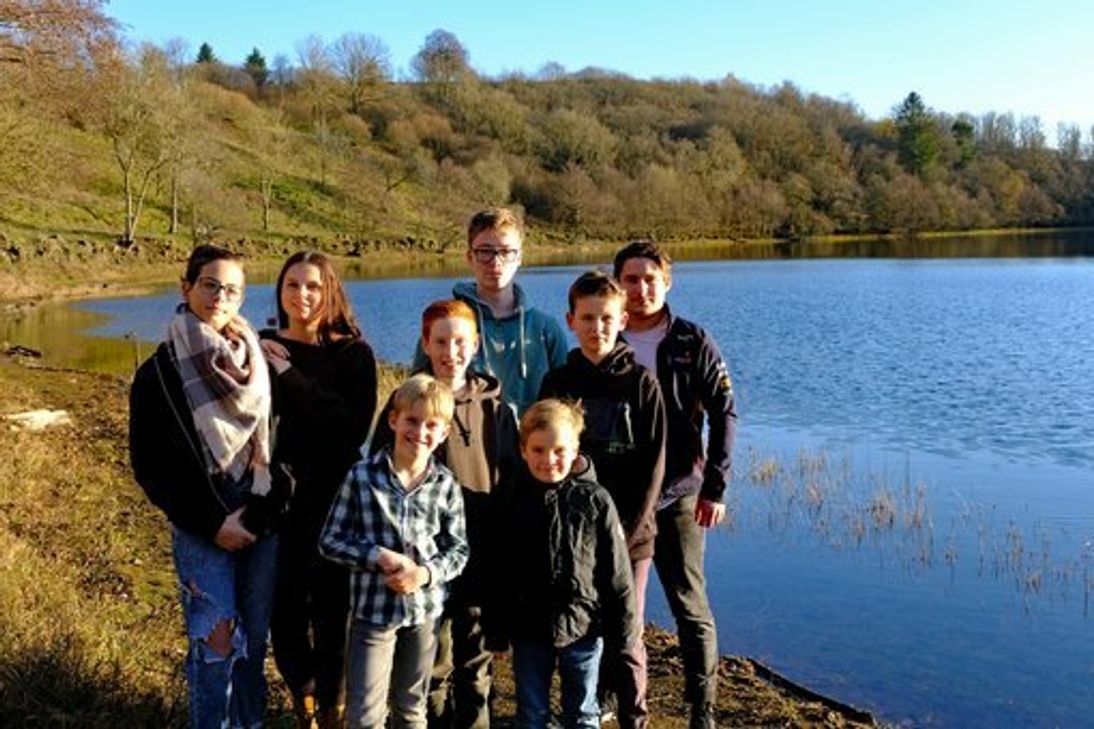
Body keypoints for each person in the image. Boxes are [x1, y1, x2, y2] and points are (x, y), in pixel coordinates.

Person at [130, 244, 289, 728]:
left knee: (253, 640)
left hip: (260, 519)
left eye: (232, 289)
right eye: (210, 285)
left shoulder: (259, 364)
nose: (220, 296)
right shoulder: (158, 373)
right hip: (203, 524)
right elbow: (150, 466)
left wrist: (261, 515)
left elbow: (285, 453)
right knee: (216, 641)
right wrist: (212, 522)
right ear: (187, 288)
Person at [373, 299, 518, 729]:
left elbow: (509, 479)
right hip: (422, 560)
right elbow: (381, 476)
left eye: (459, 342)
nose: (450, 352)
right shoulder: (406, 402)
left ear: (474, 344)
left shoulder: (494, 406)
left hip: (478, 557)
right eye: (440, 342)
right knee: (431, 666)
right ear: (426, 343)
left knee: (475, 668)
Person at [614, 241, 736, 729]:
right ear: (618, 283)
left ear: (667, 282)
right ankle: (613, 695)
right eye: (630, 279)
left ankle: (701, 706)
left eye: (650, 279)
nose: (640, 288)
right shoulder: (606, 335)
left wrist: (715, 488)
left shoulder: (692, 340)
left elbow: (725, 413)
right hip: (622, 497)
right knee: (620, 606)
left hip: (681, 492)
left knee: (689, 605)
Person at [539, 271, 666, 729]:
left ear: (623, 320)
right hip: (569, 538)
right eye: (587, 318)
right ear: (571, 321)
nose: (597, 328)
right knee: (574, 630)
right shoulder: (558, 382)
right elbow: (543, 461)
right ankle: (583, 709)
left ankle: (635, 716)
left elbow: (654, 467)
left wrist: (625, 531)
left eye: (607, 318)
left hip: (631, 536)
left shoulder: (642, 384)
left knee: (626, 632)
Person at [260, 251, 378, 729]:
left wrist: (290, 375)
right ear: (280, 290)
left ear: (330, 290)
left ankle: (334, 706)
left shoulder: (354, 354)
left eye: (313, 286)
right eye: (292, 285)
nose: (302, 295)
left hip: (335, 495)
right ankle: (303, 695)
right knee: (283, 604)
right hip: (278, 492)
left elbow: (347, 431)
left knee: (333, 608)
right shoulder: (262, 344)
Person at [320, 373, 469, 729]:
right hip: (373, 613)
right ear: (393, 420)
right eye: (412, 421)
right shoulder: (362, 476)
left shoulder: (445, 485)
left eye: (432, 425)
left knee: (411, 709)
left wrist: (425, 573)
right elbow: (330, 540)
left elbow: (458, 550)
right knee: (365, 714)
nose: (420, 432)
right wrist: (377, 556)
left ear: (444, 432)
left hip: (424, 613)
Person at [490, 399, 637, 729]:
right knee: (531, 713)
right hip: (529, 628)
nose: (549, 460)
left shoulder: (595, 499)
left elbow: (617, 572)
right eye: (539, 450)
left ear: (575, 450)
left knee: (583, 713)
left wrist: (624, 630)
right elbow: (498, 570)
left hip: (583, 625)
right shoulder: (511, 498)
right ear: (524, 450)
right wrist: (497, 629)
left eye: (559, 450)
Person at [413, 207, 568, 416]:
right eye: (485, 251)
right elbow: (418, 396)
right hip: (467, 444)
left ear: (519, 257)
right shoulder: (445, 323)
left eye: (505, 251)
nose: (495, 261)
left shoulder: (546, 328)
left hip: (532, 447)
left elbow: (565, 405)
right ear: (470, 257)